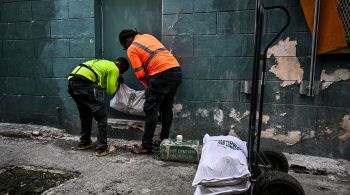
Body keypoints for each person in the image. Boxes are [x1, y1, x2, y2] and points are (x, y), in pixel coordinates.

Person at [119, 29, 182, 154]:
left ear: (128, 40)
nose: (126, 49)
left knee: (150, 109)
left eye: (125, 46)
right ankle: (164, 141)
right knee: (166, 108)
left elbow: (140, 73)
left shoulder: (132, 48)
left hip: (160, 74)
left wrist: (148, 86)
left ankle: (146, 146)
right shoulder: (148, 36)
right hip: (176, 71)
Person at [67, 58, 129, 157]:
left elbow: (99, 86)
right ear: (120, 66)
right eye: (122, 71)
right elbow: (111, 90)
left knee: (85, 114)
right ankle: (102, 149)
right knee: (101, 116)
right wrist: (117, 82)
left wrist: (108, 84)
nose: (121, 73)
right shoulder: (114, 69)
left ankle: (84, 142)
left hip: (72, 83)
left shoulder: (103, 63)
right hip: (84, 83)